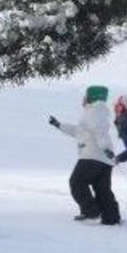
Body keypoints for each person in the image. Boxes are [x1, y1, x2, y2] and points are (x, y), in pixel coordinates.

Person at [48, 85, 121, 225]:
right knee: (102, 189)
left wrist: (105, 147)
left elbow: (100, 132)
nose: (83, 98)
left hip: (92, 156)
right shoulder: (97, 112)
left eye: (86, 95)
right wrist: (59, 125)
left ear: (92, 97)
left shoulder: (94, 112)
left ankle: (91, 212)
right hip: (103, 159)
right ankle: (111, 217)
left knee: (77, 182)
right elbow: (78, 131)